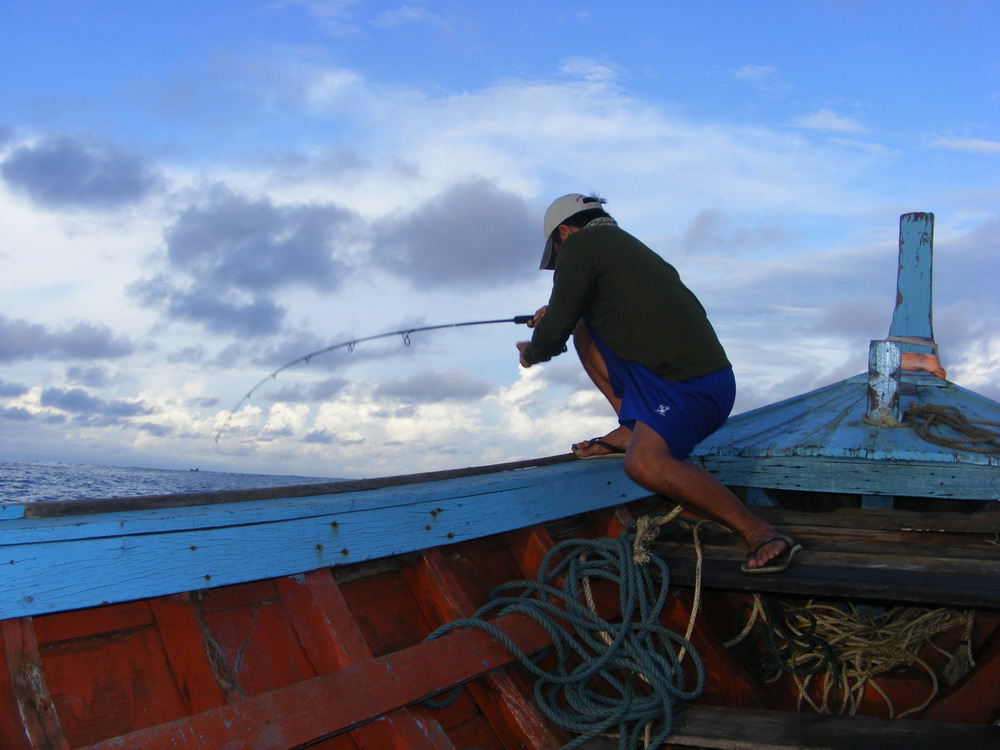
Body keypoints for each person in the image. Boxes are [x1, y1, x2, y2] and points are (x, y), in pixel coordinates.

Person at [516, 193, 800, 573]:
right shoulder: (623, 247)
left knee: (643, 465)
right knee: (584, 326)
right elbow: (582, 311)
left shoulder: (579, 247)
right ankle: (630, 424)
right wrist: (558, 313)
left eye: (556, 250)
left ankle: (759, 532)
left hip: (688, 389)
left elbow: (553, 335)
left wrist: (531, 352)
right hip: (699, 380)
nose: (560, 260)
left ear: (564, 232)